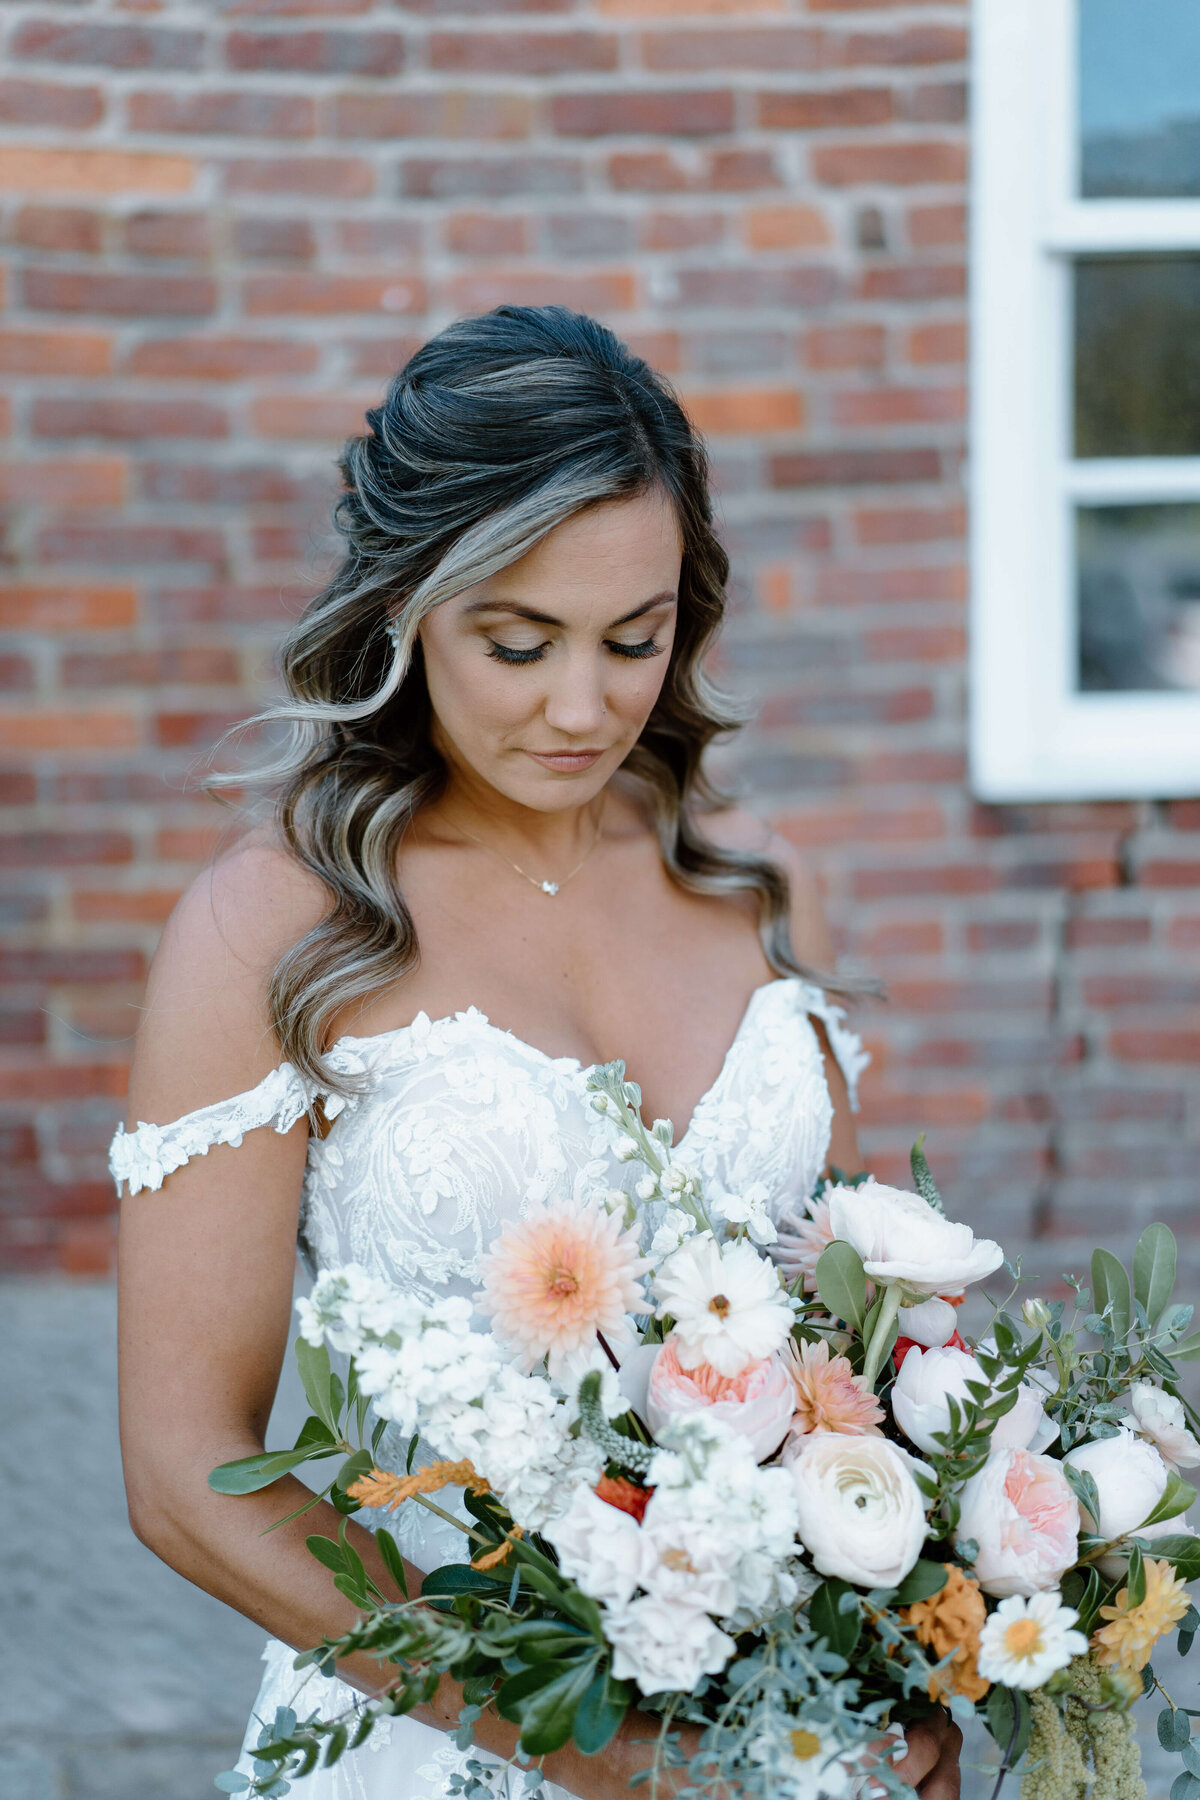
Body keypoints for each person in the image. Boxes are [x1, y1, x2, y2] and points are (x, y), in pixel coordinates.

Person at [114, 306, 961, 1800]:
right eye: (517, 643)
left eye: (634, 639)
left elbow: (840, 1356)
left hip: (781, 1732)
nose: (583, 708)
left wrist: (920, 1643)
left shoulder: (755, 883)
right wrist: (609, 1756)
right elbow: (188, 1476)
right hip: (443, 1743)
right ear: (405, 609)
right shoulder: (271, 933)